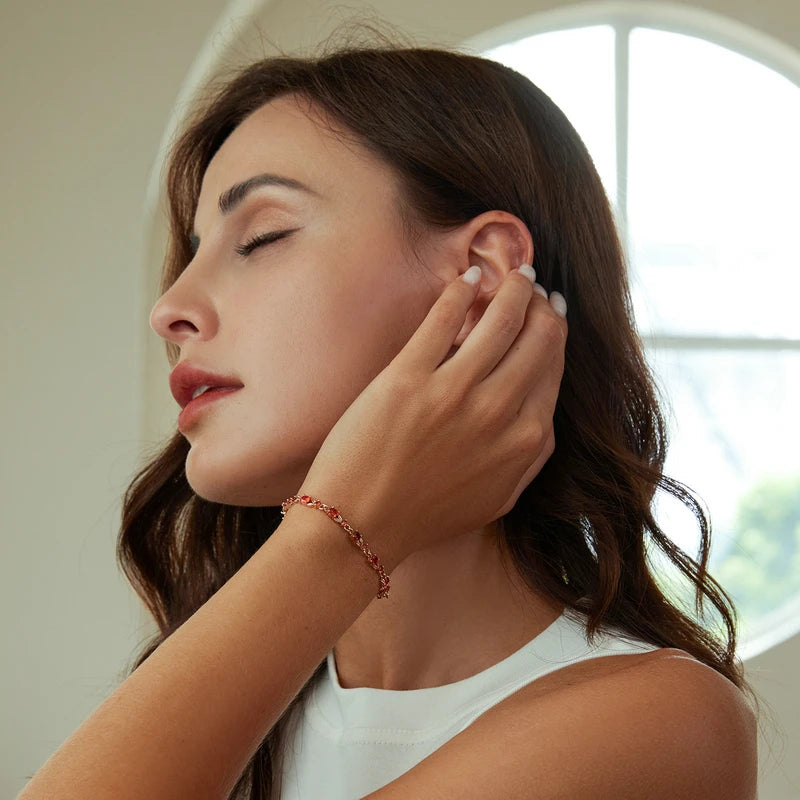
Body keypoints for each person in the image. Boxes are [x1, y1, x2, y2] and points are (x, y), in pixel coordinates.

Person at [19, 33, 760, 800]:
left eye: (262, 237)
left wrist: (338, 533)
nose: (170, 309)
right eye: (197, 251)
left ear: (484, 277)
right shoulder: (238, 713)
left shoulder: (657, 723)